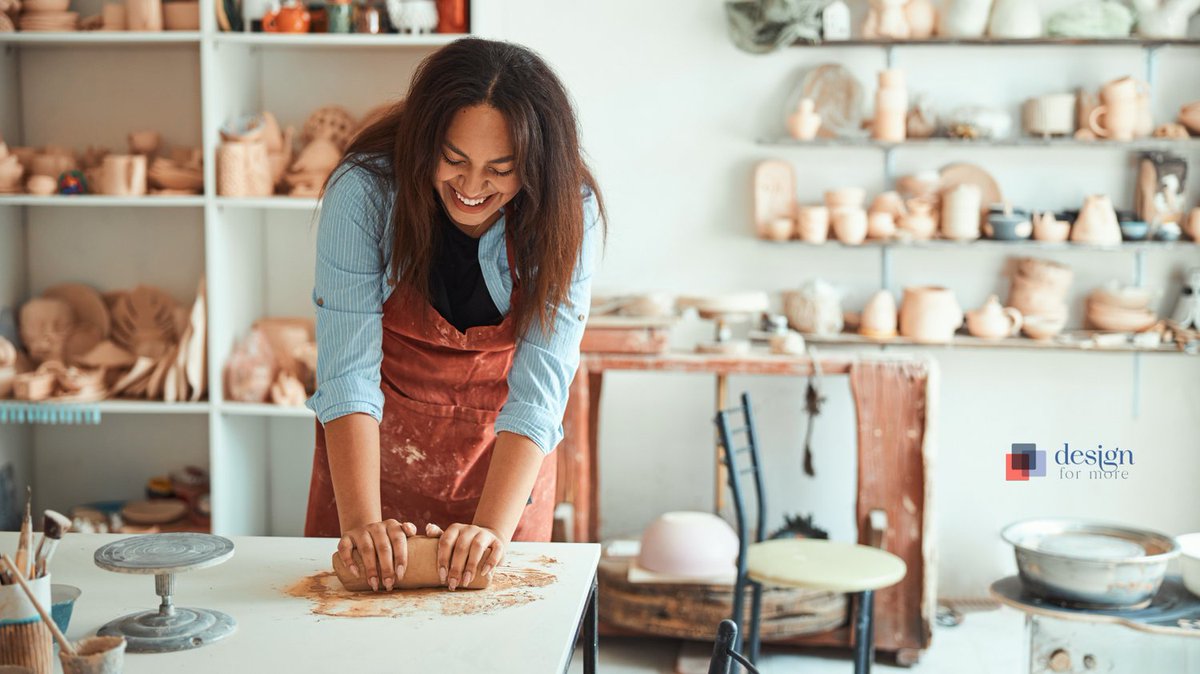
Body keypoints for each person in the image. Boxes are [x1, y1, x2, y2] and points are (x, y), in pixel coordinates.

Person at [304, 37, 605, 594]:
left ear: (535, 165)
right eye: (454, 159)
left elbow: (540, 389)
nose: (470, 187)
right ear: (426, 141)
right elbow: (348, 372)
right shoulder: (365, 188)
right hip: (377, 457)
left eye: (501, 169)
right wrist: (363, 530)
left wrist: (490, 532)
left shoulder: (569, 211)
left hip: (504, 458)